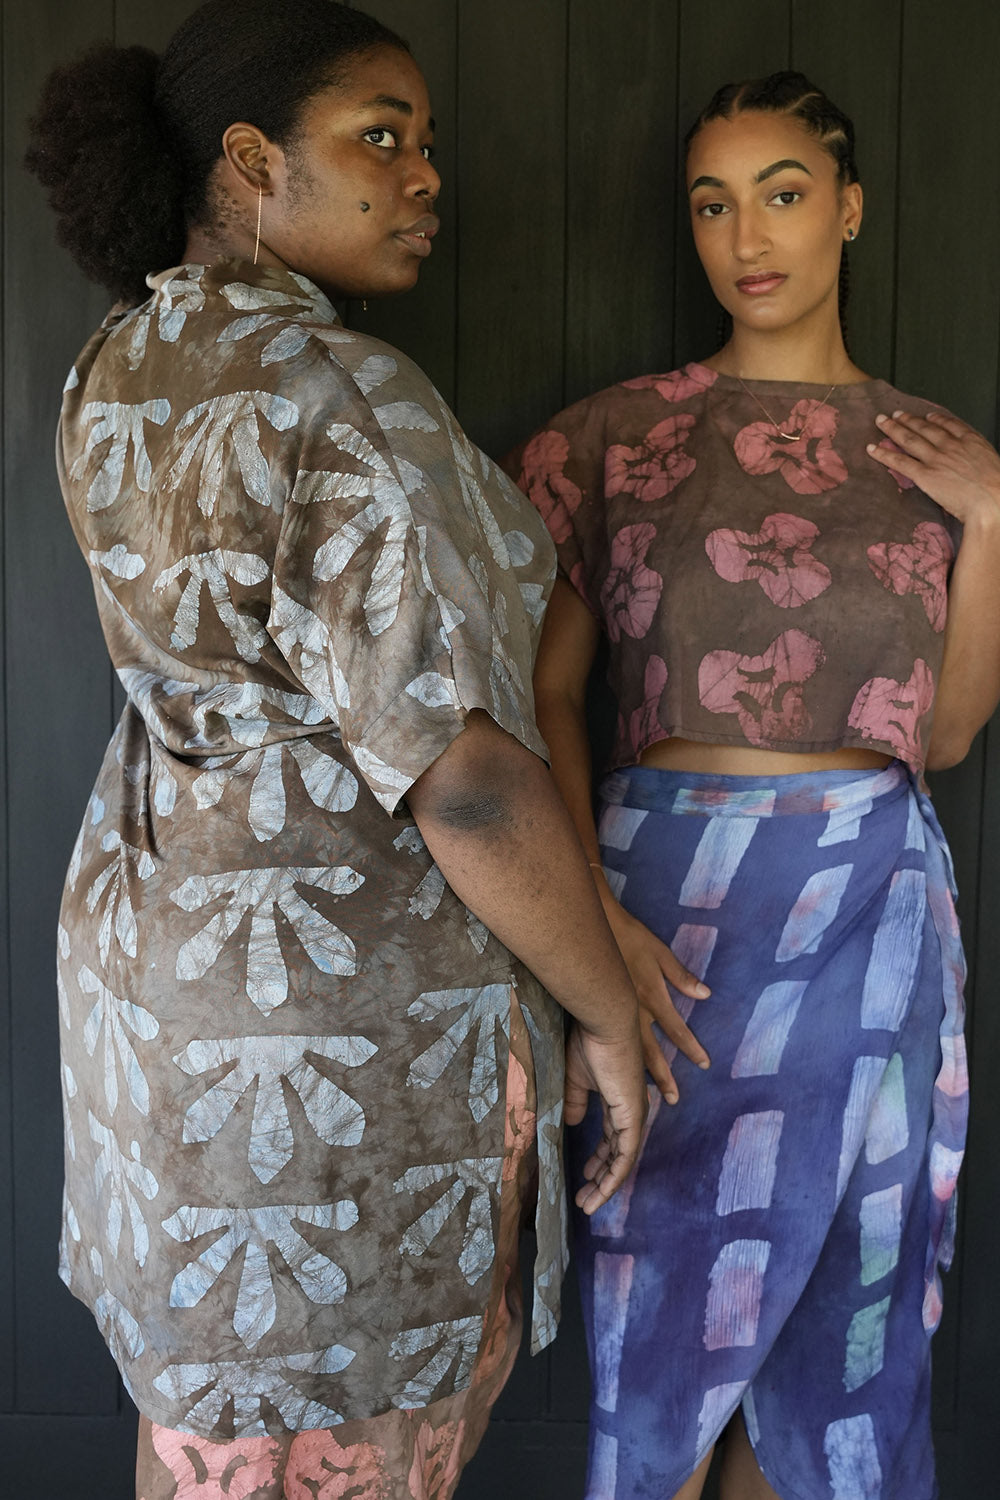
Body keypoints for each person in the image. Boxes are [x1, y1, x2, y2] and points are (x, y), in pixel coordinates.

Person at [24, 3, 647, 1497]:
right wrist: (608, 1015)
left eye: (425, 142)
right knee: (348, 1440)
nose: (425, 174)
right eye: (381, 135)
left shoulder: (117, 367)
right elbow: (470, 776)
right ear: (252, 161)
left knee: (214, 1438)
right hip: (338, 1025)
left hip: (159, 980)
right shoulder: (350, 400)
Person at [507, 70, 1000, 1500]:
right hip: (669, 920)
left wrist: (992, 512)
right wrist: (586, 914)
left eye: (783, 193)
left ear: (848, 208)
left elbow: (949, 734)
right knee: (666, 1311)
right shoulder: (613, 441)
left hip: (869, 906)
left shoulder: (932, 456)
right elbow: (543, 695)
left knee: (839, 1309)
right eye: (714, 204)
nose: (748, 236)